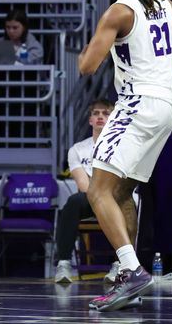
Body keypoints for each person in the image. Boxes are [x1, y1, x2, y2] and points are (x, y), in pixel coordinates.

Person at [78, 0, 172, 312]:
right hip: (169, 105)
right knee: (122, 192)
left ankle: (132, 270)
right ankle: (129, 273)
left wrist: (89, 47)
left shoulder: (120, 10)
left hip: (138, 103)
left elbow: (88, 66)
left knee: (97, 190)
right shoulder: (168, 6)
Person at [54, 99, 116, 284]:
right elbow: (83, 185)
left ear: (113, 119)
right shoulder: (77, 150)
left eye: (105, 113)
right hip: (92, 198)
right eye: (96, 113)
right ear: (90, 120)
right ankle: (64, 263)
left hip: (117, 198)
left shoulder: (122, 146)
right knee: (74, 201)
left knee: (126, 203)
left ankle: (121, 264)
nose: (100, 117)